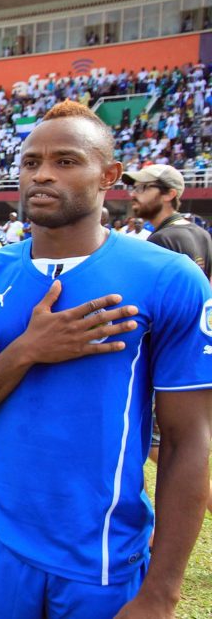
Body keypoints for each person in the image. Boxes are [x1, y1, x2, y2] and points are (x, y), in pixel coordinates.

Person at [0, 100, 212, 618]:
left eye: (65, 161)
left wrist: (161, 592)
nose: (41, 174)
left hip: (102, 557)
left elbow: (187, 440)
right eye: (30, 161)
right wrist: (27, 351)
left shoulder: (169, 278)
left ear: (108, 175)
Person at [124, 163, 212, 517]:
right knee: (183, 444)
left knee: (147, 444)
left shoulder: (161, 241)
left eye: (143, 189)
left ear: (169, 194)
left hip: (162, 361)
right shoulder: (200, 234)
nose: (134, 194)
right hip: (191, 359)